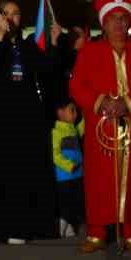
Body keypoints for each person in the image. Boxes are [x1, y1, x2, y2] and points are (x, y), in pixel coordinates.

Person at [70, 0, 131, 254]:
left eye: (123, 18)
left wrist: (129, 104)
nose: (118, 24)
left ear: (130, 22)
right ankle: (97, 231)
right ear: (104, 22)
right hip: (102, 124)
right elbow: (77, 86)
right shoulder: (89, 51)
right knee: (98, 179)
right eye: (113, 19)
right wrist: (102, 102)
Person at [0, 0, 60, 245]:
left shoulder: (26, 46)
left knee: (23, 170)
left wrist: (55, 42)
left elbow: (48, 68)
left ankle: (21, 225)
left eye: (15, 14)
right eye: (5, 13)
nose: (10, 17)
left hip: (26, 115)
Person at [52, 98, 86, 237]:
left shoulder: (73, 129)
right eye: (72, 110)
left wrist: (87, 114)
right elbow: (55, 154)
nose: (75, 114)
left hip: (77, 174)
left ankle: (69, 228)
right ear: (60, 113)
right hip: (64, 175)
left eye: (76, 110)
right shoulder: (56, 131)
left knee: (75, 202)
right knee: (66, 203)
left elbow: (83, 128)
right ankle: (62, 227)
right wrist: (68, 166)